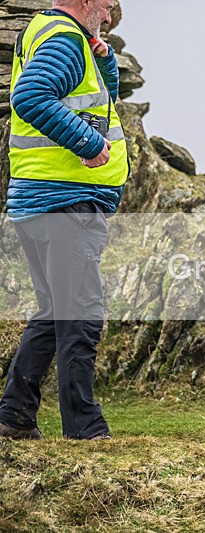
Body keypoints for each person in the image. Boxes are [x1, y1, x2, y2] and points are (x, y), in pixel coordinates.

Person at [0, 0, 127, 441]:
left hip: (38, 199)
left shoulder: (45, 32)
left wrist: (105, 64)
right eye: (107, 6)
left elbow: (102, 103)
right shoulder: (66, 38)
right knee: (82, 314)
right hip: (66, 201)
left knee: (54, 312)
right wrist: (87, 143)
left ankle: (14, 415)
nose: (108, 18)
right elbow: (31, 97)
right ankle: (84, 427)